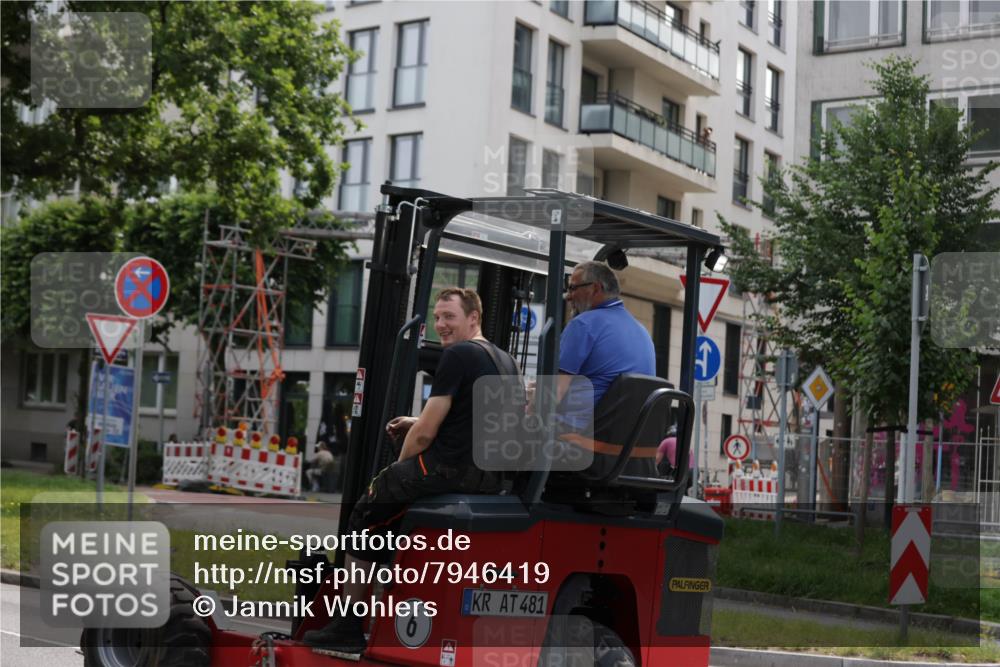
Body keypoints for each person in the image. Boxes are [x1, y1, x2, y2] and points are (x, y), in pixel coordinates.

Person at [303, 287, 519, 653]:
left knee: (368, 509)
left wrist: (397, 469)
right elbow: (476, 420)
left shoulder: (459, 355)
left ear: (473, 318)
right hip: (485, 475)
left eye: (449, 317)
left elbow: (424, 436)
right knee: (390, 510)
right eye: (437, 317)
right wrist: (415, 421)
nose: (440, 325)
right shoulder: (505, 361)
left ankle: (348, 623)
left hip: (449, 468)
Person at [557, 261, 655, 428]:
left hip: (582, 432)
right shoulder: (642, 331)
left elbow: (554, 393)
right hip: (631, 436)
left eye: (573, 288)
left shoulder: (583, 324)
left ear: (595, 288)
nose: (568, 296)